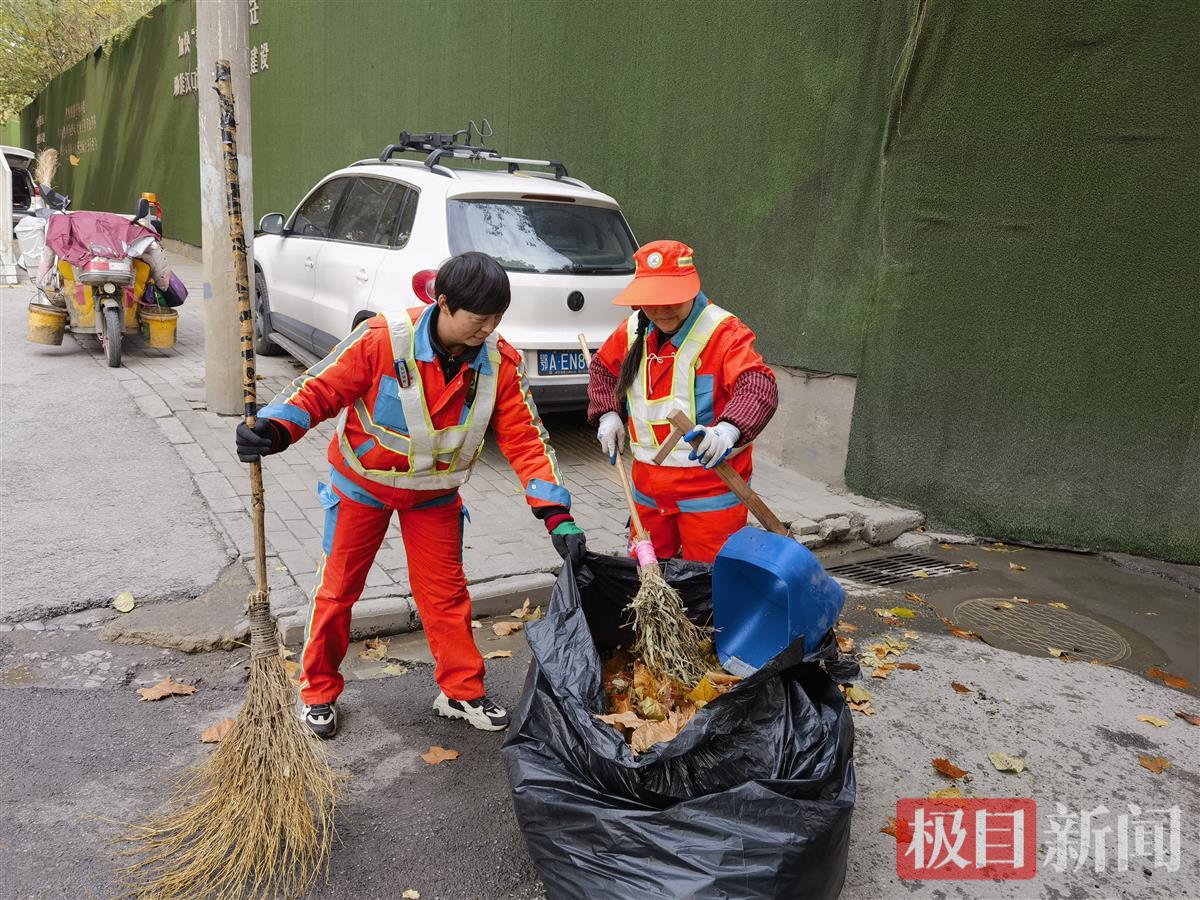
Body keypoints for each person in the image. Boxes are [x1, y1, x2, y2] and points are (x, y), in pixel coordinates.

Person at [236, 252, 586, 738]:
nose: (487, 330)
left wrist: (555, 512)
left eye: (497, 320)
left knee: (445, 596)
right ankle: (317, 690)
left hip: (434, 498)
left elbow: (526, 437)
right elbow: (318, 391)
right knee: (338, 591)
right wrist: (274, 430)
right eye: (478, 319)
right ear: (443, 303)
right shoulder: (382, 341)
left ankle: (461, 691)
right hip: (362, 487)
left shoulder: (498, 364)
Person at [587, 240, 777, 563]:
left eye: (670, 299)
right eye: (651, 301)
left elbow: (758, 385)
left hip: (710, 496)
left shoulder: (724, 333)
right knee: (648, 584)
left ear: (691, 290)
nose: (661, 310)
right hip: (647, 496)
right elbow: (603, 370)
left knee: (708, 588)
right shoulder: (633, 330)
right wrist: (608, 414)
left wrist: (729, 430)